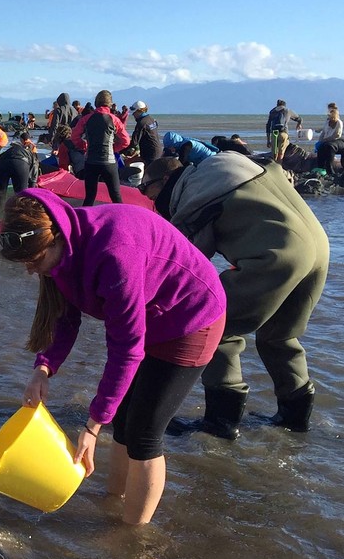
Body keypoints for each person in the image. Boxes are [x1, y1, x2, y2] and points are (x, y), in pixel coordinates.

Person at [0, 189, 226, 524]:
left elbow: (126, 349)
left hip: (191, 316)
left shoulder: (114, 255)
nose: (31, 271)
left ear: (55, 238)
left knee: (144, 434)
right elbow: (65, 319)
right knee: (124, 420)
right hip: (149, 315)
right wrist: (43, 368)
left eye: (34, 262)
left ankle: (132, 535)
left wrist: (93, 425)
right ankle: (113, 502)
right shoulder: (62, 251)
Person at [140, 152, 329, 439]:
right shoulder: (223, 162)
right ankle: (294, 421)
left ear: (165, 180)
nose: (147, 196)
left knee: (213, 326)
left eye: (147, 187)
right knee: (280, 336)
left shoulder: (193, 198)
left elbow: (189, 265)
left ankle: (221, 424)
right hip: (319, 249)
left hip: (276, 257)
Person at [70, 90, 130, 206]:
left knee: (90, 197)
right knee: (116, 196)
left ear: (96, 102)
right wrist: (113, 148)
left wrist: (84, 146)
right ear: (110, 104)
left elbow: (74, 137)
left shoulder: (86, 119)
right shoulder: (114, 119)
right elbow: (126, 141)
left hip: (91, 161)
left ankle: (84, 217)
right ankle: (122, 216)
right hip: (109, 162)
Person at [123, 100, 162, 165]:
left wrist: (121, 150)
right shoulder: (151, 119)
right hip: (158, 150)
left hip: (150, 154)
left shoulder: (141, 123)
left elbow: (134, 142)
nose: (133, 115)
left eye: (134, 113)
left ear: (139, 111)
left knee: (148, 171)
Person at [315, 106, 344, 175]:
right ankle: (320, 168)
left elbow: (337, 135)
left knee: (330, 146)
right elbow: (323, 132)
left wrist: (327, 140)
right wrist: (320, 141)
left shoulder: (339, 123)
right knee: (321, 148)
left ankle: (330, 170)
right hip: (327, 141)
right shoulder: (327, 122)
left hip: (338, 141)